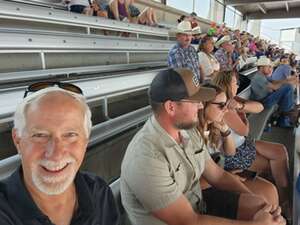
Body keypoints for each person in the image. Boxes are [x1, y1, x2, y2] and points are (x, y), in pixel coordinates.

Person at [120, 68, 286, 225]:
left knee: (260, 206)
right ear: (171, 107)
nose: (200, 106)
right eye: (195, 101)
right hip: (185, 219)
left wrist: (261, 206)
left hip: (199, 204)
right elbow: (188, 221)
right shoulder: (146, 158)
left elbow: (218, 176)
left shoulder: (187, 131)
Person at [0, 82, 119, 225]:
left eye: (70, 134)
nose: (56, 154)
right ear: (17, 141)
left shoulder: (98, 191)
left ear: (85, 141)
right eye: (40, 135)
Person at [213, 71, 290, 211]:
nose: (237, 84)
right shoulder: (224, 106)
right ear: (226, 84)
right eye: (235, 82)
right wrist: (244, 116)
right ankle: (284, 203)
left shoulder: (234, 99)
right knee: (274, 167)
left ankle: (284, 200)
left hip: (242, 144)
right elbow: (245, 130)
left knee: (280, 151)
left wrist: (241, 106)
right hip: (233, 152)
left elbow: (259, 107)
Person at [197, 83, 279, 207]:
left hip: (221, 175)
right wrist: (229, 177)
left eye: (225, 104)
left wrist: (225, 131)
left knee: (270, 190)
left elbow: (230, 152)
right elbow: (194, 183)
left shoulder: (213, 126)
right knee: (264, 196)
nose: (225, 109)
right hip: (206, 187)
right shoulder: (193, 135)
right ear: (202, 105)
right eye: (221, 105)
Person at [250, 57, 297, 127]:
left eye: (270, 67)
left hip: (267, 97)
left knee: (287, 89)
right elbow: (274, 87)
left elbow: (275, 82)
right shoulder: (258, 77)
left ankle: (285, 114)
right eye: (268, 67)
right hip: (263, 102)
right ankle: (287, 113)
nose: (270, 69)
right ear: (261, 68)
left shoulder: (263, 76)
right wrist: (288, 82)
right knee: (288, 88)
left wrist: (288, 81)